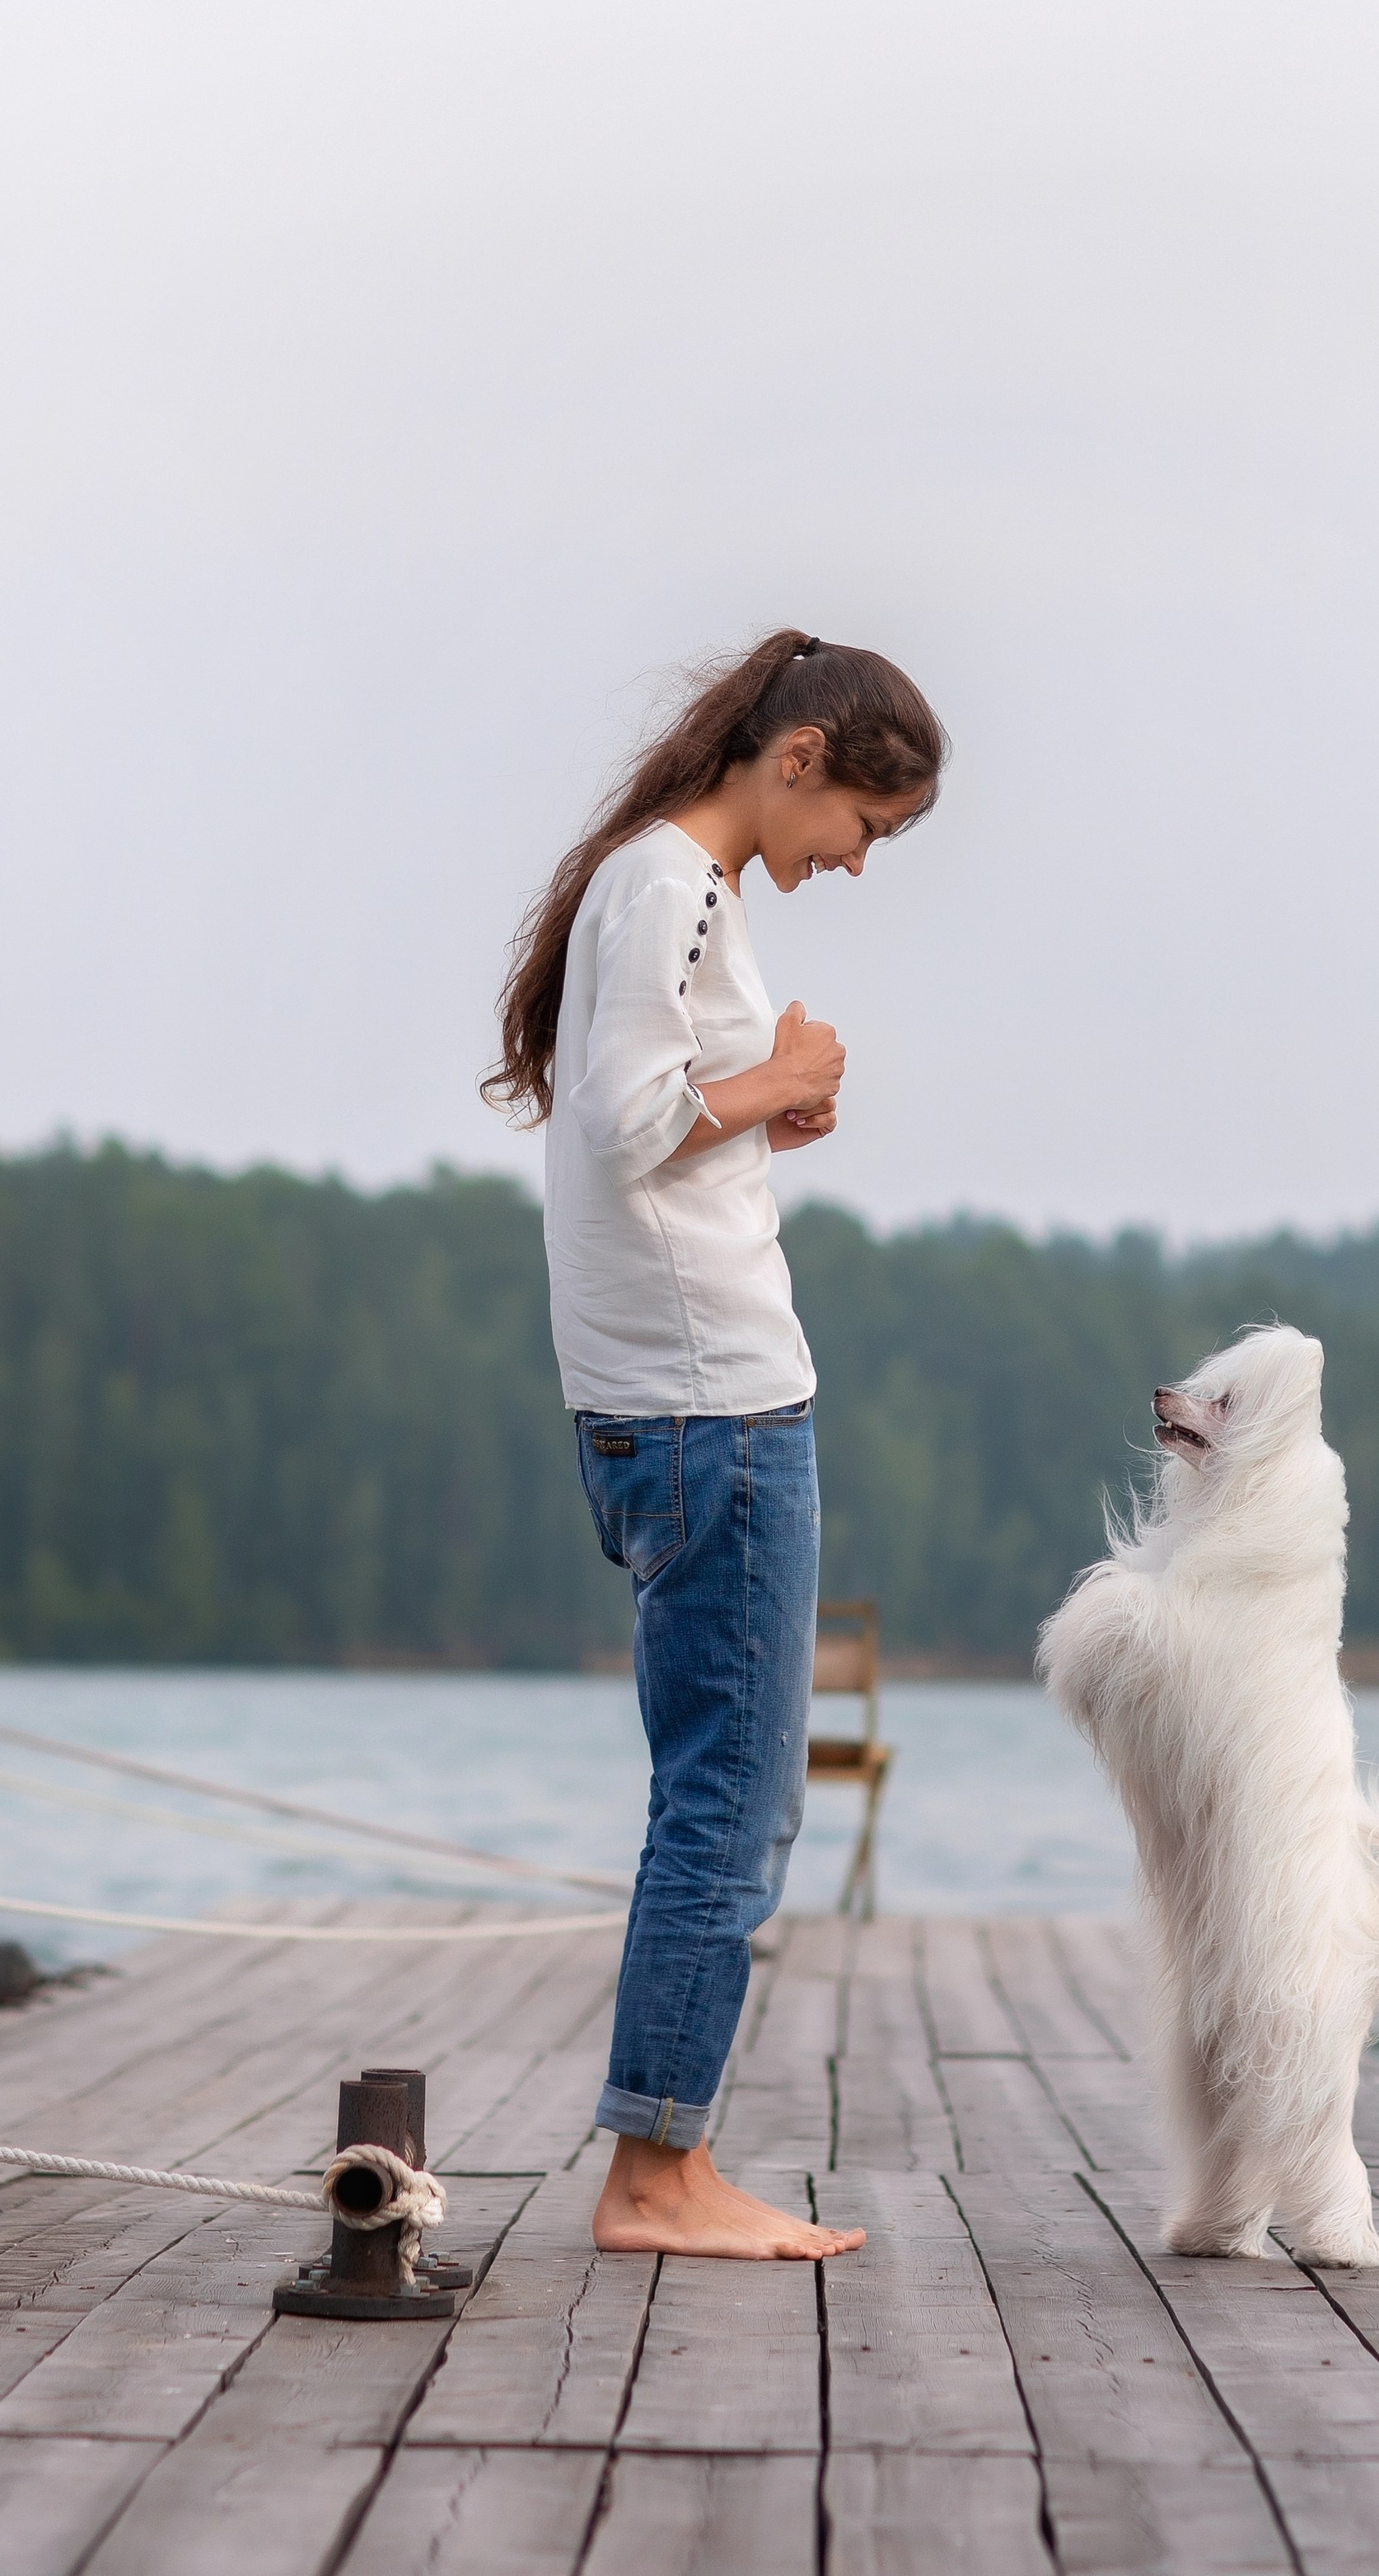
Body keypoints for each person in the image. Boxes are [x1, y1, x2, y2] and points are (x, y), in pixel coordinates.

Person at [485, 630, 947, 2261]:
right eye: (867, 828)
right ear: (803, 757)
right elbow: (623, 1130)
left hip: (666, 1408)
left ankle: (661, 2163)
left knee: (717, 1798)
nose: (856, 863)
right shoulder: (675, 884)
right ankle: (656, 2179)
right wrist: (785, 1076)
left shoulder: (652, 883)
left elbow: (644, 1130)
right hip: (716, 1413)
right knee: (729, 1811)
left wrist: (762, 1102)